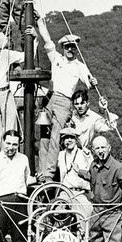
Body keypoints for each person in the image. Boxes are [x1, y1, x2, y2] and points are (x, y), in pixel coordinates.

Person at [35, 16, 97, 181]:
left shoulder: (80, 66)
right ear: (63, 48)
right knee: (44, 137)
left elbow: (90, 83)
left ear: (76, 49)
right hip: (50, 97)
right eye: (67, 47)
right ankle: (41, 171)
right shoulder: (56, 58)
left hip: (64, 102)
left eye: (73, 47)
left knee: (56, 137)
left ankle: (48, 174)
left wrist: (92, 81)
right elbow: (46, 39)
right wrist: (40, 21)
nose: (70, 50)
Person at [57, 127, 94, 228]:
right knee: (54, 213)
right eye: (66, 138)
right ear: (63, 141)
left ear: (76, 140)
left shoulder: (84, 154)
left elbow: (93, 174)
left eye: (72, 138)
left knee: (86, 216)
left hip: (81, 193)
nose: (69, 140)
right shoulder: (60, 155)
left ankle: (83, 240)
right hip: (65, 193)